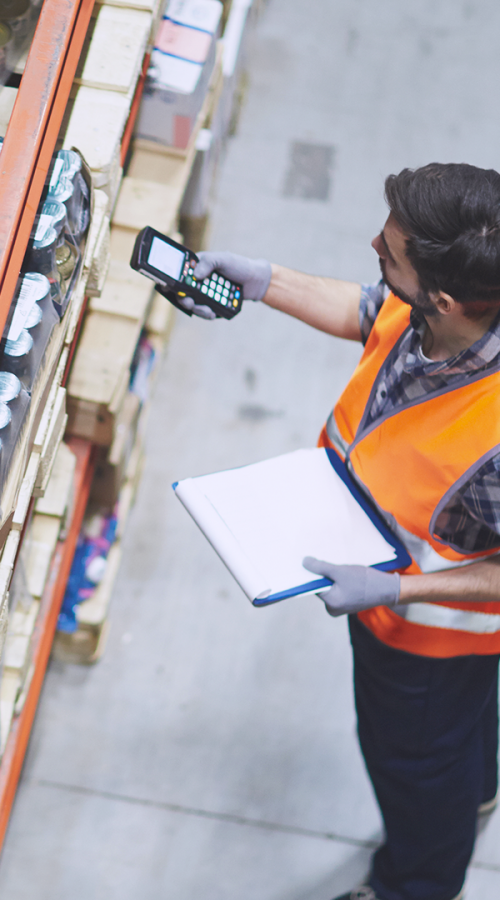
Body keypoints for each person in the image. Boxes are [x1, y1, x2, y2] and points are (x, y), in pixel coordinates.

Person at [188, 162, 500, 900]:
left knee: (415, 769)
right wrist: (266, 281)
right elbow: (375, 311)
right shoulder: (450, 312)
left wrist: (392, 587)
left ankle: (412, 884)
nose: (373, 248)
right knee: (460, 742)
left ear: (447, 297)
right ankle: (479, 783)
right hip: (391, 596)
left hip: (426, 637)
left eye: (388, 253)